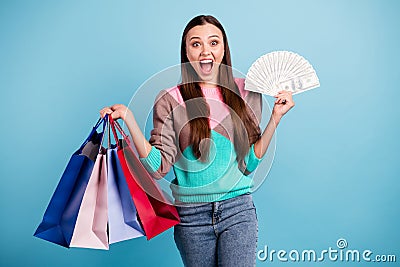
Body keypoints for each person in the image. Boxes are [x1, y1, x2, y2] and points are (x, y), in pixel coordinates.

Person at [101, 15, 294, 267]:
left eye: (214, 43)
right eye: (196, 44)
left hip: (238, 210)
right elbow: (159, 169)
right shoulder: (170, 99)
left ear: (224, 48)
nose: (206, 51)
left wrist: (275, 119)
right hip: (191, 218)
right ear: (186, 52)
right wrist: (129, 119)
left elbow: (249, 163)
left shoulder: (247, 91)